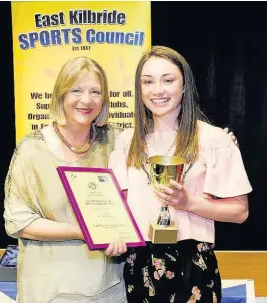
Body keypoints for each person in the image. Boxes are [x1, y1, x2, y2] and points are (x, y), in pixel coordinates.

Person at [108, 46, 252, 303]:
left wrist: (189, 204)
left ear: (184, 85)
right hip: (137, 264)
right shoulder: (125, 142)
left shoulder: (214, 139)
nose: (158, 90)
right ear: (139, 89)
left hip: (193, 265)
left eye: (168, 80)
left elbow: (240, 212)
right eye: (148, 82)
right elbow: (118, 207)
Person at [3, 57, 127, 303]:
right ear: (60, 95)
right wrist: (84, 232)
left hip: (108, 289)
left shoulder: (116, 142)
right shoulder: (32, 150)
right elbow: (18, 222)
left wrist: (216, 143)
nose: (86, 100)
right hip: (50, 291)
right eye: (76, 90)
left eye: (95, 91)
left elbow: (156, 157)